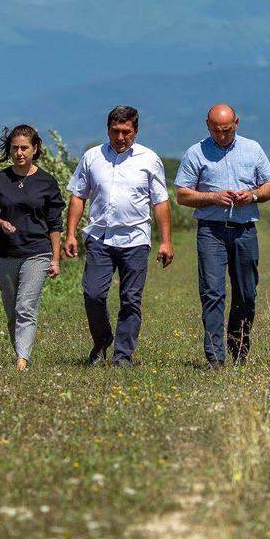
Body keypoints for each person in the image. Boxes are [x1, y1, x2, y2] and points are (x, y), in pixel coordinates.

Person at [64, 106, 174, 367]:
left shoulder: (149, 159)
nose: (120, 137)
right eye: (115, 131)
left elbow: (160, 202)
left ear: (136, 131)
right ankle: (102, 342)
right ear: (108, 130)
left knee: (131, 299)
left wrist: (166, 240)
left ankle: (123, 356)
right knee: (93, 294)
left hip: (135, 239)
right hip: (100, 237)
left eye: (126, 132)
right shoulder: (92, 157)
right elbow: (78, 196)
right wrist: (70, 234)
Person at [175, 104, 270, 368]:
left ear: (237, 124)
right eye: (216, 130)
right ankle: (215, 355)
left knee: (246, 292)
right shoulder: (195, 153)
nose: (222, 135)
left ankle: (239, 345)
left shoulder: (253, 149)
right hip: (211, 231)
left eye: (227, 130)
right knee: (212, 292)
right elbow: (182, 195)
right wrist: (213, 197)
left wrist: (251, 195)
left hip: (244, 230)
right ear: (207, 125)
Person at [0, 124, 66, 371]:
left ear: (34, 148)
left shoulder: (46, 182)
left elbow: (54, 223)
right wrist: (1, 222)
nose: (19, 153)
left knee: (25, 306)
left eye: (24, 148)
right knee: (12, 310)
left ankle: (22, 360)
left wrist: (55, 259)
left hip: (37, 252)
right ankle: (20, 350)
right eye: (15, 148)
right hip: (6, 254)